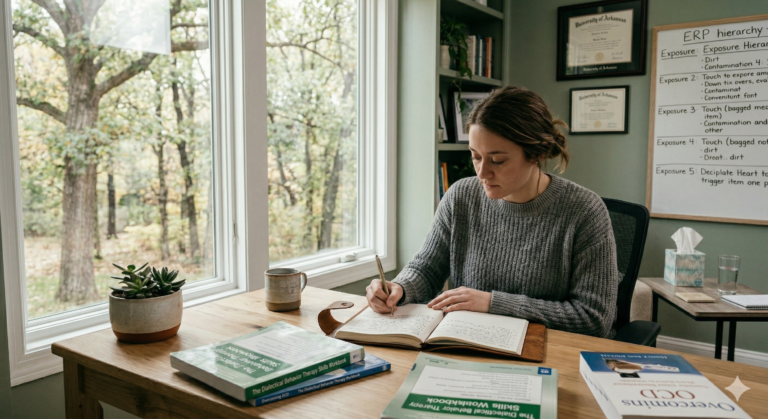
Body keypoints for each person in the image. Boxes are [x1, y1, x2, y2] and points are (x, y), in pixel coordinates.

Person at [366, 85, 619, 338]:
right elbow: (427, 269)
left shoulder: (584, 211)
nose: (482, 172)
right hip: (466, 345)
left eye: (497, 160)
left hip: (547, 354)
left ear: (536, 154)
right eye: (476, 156)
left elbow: (593, 318)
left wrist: (493, 303)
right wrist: (399, 287)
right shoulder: (460, 197)